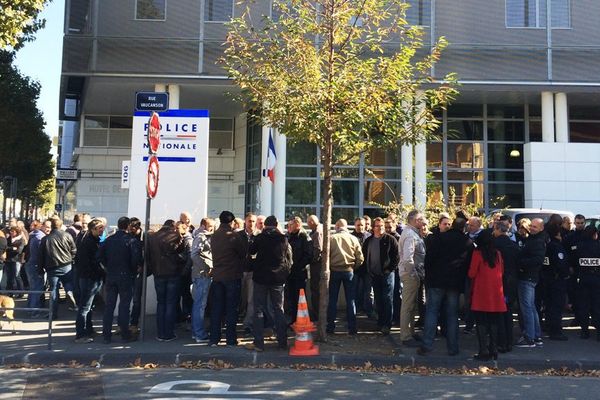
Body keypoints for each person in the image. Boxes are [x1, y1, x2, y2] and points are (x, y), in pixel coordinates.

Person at [418, 218, 471, 356]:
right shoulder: (467, 242)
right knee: (452, 315)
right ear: (463, 228)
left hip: (436, 280)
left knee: (432, 311)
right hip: (454, 282)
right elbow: (467, 264)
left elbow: (429, 259)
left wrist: (429, 277)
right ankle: (453, 348)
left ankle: (427, 345)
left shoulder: (439, 238)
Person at [245, 216, 292, 351]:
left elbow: (251, 250)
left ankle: (258, 343)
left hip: (261, 277)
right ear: (276, 225)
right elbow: (287, 258)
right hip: (277, 278)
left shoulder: (260, 238)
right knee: (279, 309)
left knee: (258, 308)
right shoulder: (283, 239)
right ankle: (282, 341)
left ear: (265, 225)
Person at [468, 230, 506, 361]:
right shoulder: (498, 254)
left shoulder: (477, 253)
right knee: (494, 321)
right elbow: (501, 271)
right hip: (496, 291)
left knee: (481, 321)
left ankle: (483, 350)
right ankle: (493, 348)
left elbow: (472, 273)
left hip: (481, 291)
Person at [209, 211, 246, 346]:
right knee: (231, 309)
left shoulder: (215, 235)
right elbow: (243, 253)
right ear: (231, 222)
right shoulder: (233, 236)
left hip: (218, 276)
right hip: (232, 275)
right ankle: (230, 339)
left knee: (217, 308)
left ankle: (214, 338)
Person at [99, 216, 137, 344]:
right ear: (128, 226)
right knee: (124, 306)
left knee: (109, 306)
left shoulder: (109, 240)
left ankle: (106, 335)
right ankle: (125, 334)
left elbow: (99, 256)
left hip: (111, 274)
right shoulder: (130, 240)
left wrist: (108, 267)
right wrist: (133, 270)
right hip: (125, 275)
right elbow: (135, 260)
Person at [147, 220, 187, 341]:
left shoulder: (152, 237)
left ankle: (160, 333)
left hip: (158, 274)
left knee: (161, 303)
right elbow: (181, 252)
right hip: (173, 273)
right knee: (170, 303)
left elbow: (148, 256)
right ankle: (169, 333)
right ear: (173, 226)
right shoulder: (176, 236)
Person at [362, 217, 398, 335]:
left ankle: (387, 324)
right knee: (378, 299)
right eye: (377, 226)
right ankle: (380, 322)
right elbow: (364, 255)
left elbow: (396, 257)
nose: (380, 228)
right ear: (373, 228)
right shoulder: (369, 241)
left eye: (382, 225)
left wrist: (389, 270)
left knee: (387, 299)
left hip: (387, 274)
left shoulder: (390, 239)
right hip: (374, 275)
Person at [327, 219, 363, 335]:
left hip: (335, 270)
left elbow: (326, 256)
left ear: (337, 226)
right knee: (351, 300)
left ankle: (330, 327)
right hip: (349, 271)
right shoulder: (353, 239)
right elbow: (360, 257)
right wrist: (354, 267)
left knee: (332, 300)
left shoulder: (331, 239)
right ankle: (352, 328)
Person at [516, 218, 546, 348]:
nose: (532, 228)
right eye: (531, 226)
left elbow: (537, 260)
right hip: (530, 277)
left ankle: (530, 337)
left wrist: (521, 263)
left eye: (535, 227)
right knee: (531, 308)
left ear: (541, 228)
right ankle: (536, 335)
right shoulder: (535, 240)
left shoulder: (537, 241)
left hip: (527, 277)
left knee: (527, 308)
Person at [38, 217, 77, 319]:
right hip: (66, 265)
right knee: (68, 282)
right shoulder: (67, 235)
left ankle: (53, 314)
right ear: (61, 225)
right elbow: (74, 250)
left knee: (54, 290)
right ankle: (69, 291)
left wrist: (40, 269)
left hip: (51, 267)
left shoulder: (45, 239)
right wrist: (71, 259)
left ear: (51, 226)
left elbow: (41, 256)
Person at [74, 218, 105, 343]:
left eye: (102, 228)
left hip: (89, 277)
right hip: (89, 277)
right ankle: (80, 334)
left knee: (89, 305)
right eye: (99, 228)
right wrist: (101, 271)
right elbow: (91, 262)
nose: (102, 230)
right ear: (92, 229)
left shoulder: (90, 241)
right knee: (85, 306)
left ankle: (88, 329)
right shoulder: (89, 243)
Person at [398, 210, 426, 346]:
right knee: (408, 305)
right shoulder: (410, 235)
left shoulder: (413, 233)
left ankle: (411, 332)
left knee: (411, 306)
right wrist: (414, 274)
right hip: (410, 275)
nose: (424, 221)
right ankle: (405, 336)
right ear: (416, 221)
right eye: (422, 219)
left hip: (412, 274)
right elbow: (408, 258)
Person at [492, 217, 520, 353]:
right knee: (508, 311)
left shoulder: (494, 245)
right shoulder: (514, 246)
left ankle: (501, 342)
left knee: (498, 313)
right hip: (511, 281)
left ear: (498, 230)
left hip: (498, 282)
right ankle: (509, 341)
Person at [541, 222, 570, 341]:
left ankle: (548, 326)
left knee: (549, 305)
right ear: (557, 233)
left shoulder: (545, 245)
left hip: (547, 279)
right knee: (556, 306)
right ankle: (556, 331)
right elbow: (561, 265)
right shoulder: (556, 247)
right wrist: (566, 274)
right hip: (557, 280)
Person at [190, 217, 214, 343]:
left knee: (198, 304)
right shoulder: (201, 237)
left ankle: (196, 332)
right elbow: (194, 254)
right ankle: (199, 334)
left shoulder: (200, 236)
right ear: (204, 226)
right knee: (200, 305)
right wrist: (207, 267)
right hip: (202, 275)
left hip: (200, 274)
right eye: (211, 226)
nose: (212, 228)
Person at [574, 226, 600, 340]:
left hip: (583, 279)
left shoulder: (578, 247)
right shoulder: (598, 246)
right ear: (595, 234)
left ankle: (584, 331)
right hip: (597, 279)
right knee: (597, 306)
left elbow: (574, 262)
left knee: (583, 306)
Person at [286, 217, 312, 323]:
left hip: (299, 272)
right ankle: (292, 319)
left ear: (297, 225)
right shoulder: (288, 236)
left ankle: (300, 320)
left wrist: (298, 266)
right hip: (290, 272)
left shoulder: (304, 237)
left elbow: (308, 255)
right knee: (290, 297)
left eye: (291, 225)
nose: (289, 227)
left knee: (299, 297)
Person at [351, 217, 374, 319]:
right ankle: (353, 313)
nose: (360, 227)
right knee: (353, 291)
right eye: (358, 225)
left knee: (368, 292)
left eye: (361, 225)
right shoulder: (350, 237)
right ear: (354, 225)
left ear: (365, 225)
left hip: (367, 269)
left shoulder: (370, 236)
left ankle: (369, 312)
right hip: (355, 269)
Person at [239, 212, 257, 335]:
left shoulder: (259, 236)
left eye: (253, 221)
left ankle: (247, 324)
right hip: (239, 271)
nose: (251, 223)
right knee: (239, 298)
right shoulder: (238, 235)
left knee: (251, 300)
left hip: (252, 271)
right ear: (245, 221)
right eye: (249, 221)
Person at [24, 220, 47, 317]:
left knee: (33, 288)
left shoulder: (33, 236)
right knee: (37, 289)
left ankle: (30, 308)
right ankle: (34, 311)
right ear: (41, 226)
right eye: (46, 227)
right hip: (36, 265)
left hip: (31, 264)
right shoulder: (40, 237)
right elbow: (41, 254)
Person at [128, 217, 144, 333]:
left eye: (132, 229)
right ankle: (124, 323)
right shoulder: (128, 237)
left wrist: (142, 266)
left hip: (138, 272)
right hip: (128, 272)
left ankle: (134, 323)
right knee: (127, 299)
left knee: (136, 300)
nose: (130, 231)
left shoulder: (144, 238)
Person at [306, 214, 323, 321]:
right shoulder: (318, 231)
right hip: (317, 265)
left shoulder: (317, 233)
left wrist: (310, 260)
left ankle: (316, 314)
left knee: (315, 289)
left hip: (317, 266)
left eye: (308, 223)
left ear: (312, 222)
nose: (307, 225)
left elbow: (317, 249)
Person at [5, 226, 26, 295]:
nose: (11, 233)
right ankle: (10, 293)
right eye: (10, 231)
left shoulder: (21, 240)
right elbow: (5, 247)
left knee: (17, 276)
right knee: (9, 277)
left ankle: (21, 292)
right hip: (8, 260)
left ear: (17, 232)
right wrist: (12, 248)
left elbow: (19, 251)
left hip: (16, 260)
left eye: (13, 231)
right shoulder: (8, 239)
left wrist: (13, 249)